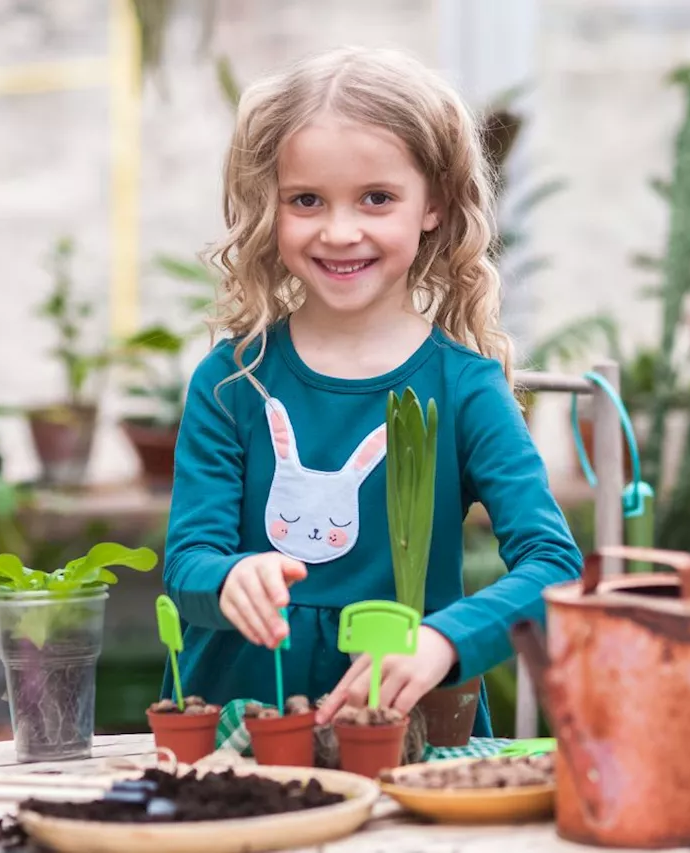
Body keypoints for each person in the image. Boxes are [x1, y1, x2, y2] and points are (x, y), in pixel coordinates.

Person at [163, 45, 582, 737]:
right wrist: (228, 580)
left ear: (434, 205)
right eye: (306, 200)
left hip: (411, 735)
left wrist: (447, 639)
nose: (339, 230)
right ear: (273, 206)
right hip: (239, 735)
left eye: (377, 198)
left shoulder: (465, 387)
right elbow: (189, 563)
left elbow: (554, 566)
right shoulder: (231, 382)